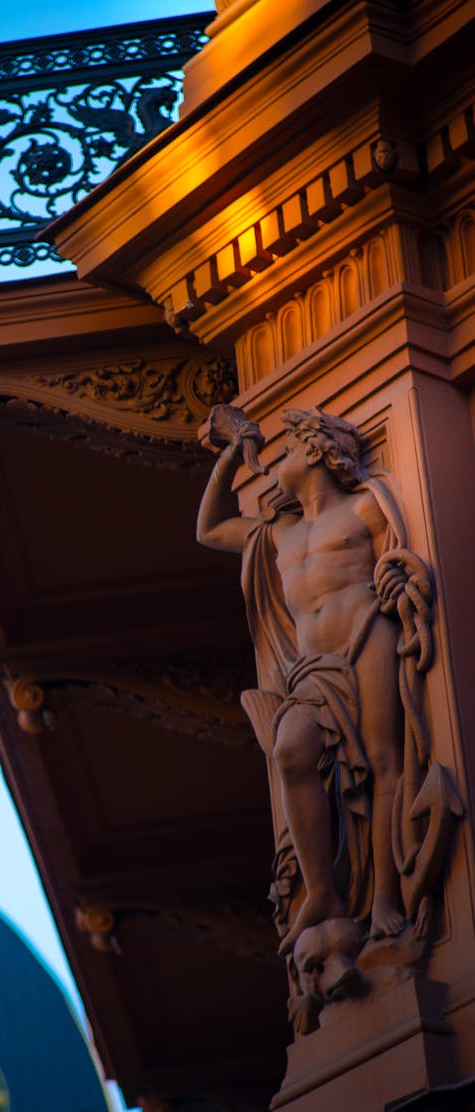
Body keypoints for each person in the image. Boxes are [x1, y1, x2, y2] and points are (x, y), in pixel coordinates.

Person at [197, 405, 408, 955]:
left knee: (384, 758)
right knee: (291, 750)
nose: (276, 461)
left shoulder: (366, 509)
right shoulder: (279, 532)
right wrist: (227, 459)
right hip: (312, 667)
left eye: (287, 449)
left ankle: (385, 894)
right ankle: (323, 894)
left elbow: (403, 552)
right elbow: (210, 528)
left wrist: (395, 577)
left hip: (367, 634)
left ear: (314, 451)